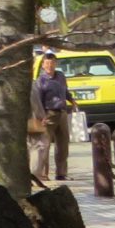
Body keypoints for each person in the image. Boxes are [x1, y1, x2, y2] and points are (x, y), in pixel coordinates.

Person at [35, 53, 73, 186]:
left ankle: (61, 173)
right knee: (44, 145)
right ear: (43, 65)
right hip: (48, 114)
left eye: (52, 63)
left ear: (55, 63)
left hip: (62, 112)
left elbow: (65, 91)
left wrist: (72, 101)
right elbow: (38, 100)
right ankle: (42, 174)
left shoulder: (61, 76)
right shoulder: (41, 80)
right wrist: (41, 116)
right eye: (47, 63)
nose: (50, 66)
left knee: (63, 144)